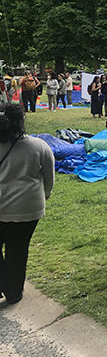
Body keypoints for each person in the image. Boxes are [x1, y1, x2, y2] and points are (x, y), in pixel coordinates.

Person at [0, 103, 55, 304]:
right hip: (28, 209)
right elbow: (49, 178)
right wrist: (46, 193)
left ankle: (3, 284)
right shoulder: (39, 146)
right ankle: (13, 293)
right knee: (18, 249)